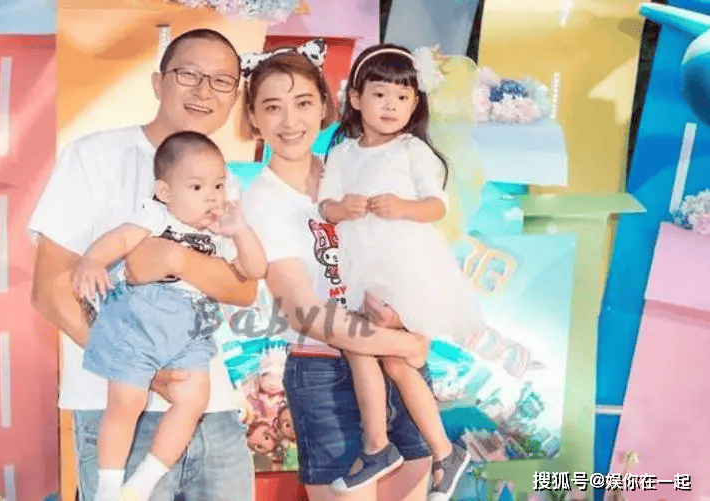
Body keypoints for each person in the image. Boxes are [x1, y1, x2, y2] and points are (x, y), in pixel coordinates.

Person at [29, 29, 256, 501]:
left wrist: (173, 258)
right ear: (158, 81)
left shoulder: (224, 182)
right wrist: (140, 369)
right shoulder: (95, 156)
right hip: (116, 406)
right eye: (189, 74)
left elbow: (243, 288)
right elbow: (50, 290)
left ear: (234, 98)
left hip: (210, 408)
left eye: (221, 81)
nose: (204, 91)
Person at [238, 44, 434, 501]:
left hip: (396, 366)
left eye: (303, 102)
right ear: (253, 117)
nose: (290, 120)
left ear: (327, 105)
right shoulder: (262, 200)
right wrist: (404, 343)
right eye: (273, 107)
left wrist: (407, 327)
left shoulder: (352, 172)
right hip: (325, 371)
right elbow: (303, 312)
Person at [318, 43, 482, 500]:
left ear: (415, 104)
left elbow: (437, 205)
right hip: (361, 270)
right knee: (369, 352)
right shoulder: (342, 153)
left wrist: (404, 207)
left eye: (402, 97)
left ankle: (399, 449)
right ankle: (425, 451)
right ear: (356, 98)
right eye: (380, 94)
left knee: (386, 356)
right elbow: (325, 204)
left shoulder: (413, 150)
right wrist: (341, 208)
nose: (390, 105)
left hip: (405, 270)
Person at [70, 131, 266, 501]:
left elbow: (254, 271)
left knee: (194, 398)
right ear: (164, 191)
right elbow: (122, 238)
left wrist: (240, 232)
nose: (212, 196)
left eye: (219, 185)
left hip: (191, 326)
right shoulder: (157, 215)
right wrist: (93, 259)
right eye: (197, 187)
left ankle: (144, 480)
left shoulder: (218, 233)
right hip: (141, 319)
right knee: (127, 401)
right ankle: (108, 488)